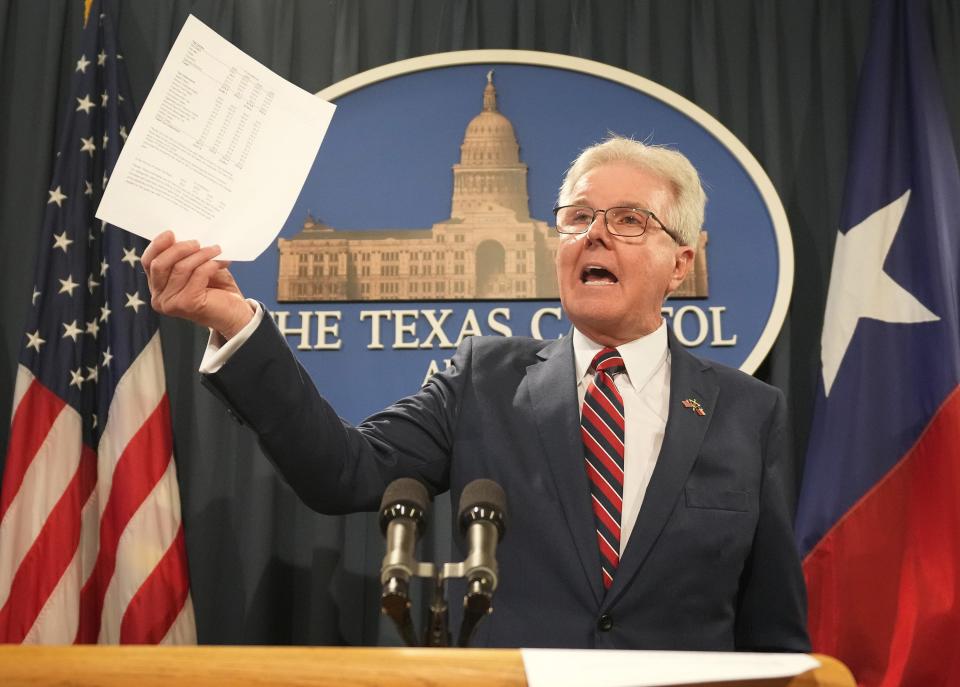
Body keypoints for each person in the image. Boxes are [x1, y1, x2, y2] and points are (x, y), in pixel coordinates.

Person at [142, 136, 810, 651]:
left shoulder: (747, 413)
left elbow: (773, 629)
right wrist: (237, 324)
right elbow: (341, 472)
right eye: (577, 217)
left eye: (629, 220)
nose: (594, 234)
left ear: (682, 262)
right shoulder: (483, 382)